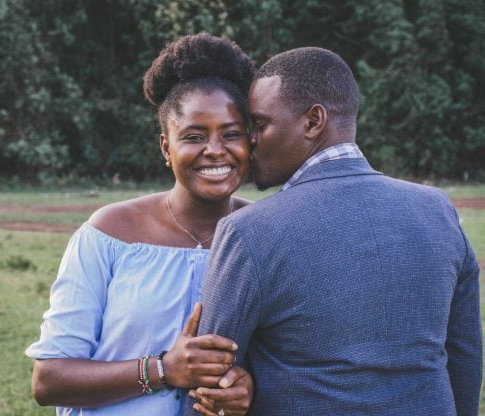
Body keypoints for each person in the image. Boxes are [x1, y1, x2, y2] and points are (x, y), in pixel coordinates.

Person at [186, 47, 482, 415]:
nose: (251, 140)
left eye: (260, 125)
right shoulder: (437, 209)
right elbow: (465, 356)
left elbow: (211, 382)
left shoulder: (249, 231)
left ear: (313, 122)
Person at [25, 33, 256, 416]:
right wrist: (163, 370)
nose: (215, 150)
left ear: (251, 140)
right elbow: (49, 380)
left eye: (231, 134)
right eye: (194, 136)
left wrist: (247, 389)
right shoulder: (110, 233)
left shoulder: (262, 234)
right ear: (166, 147)